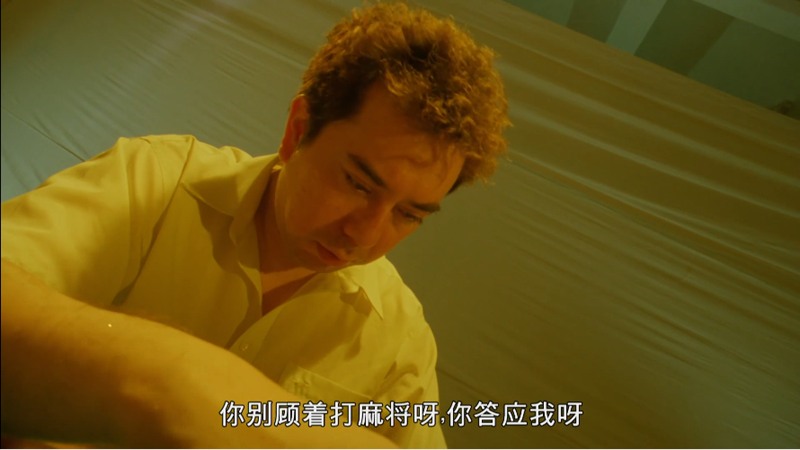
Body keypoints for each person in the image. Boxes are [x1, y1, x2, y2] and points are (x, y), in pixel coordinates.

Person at [1, 2, 509, 447]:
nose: (366, 234)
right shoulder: (154, 183)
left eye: (408, 214)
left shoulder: (398, 340)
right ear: (298, 131)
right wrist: (171, 384)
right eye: (357, 183)